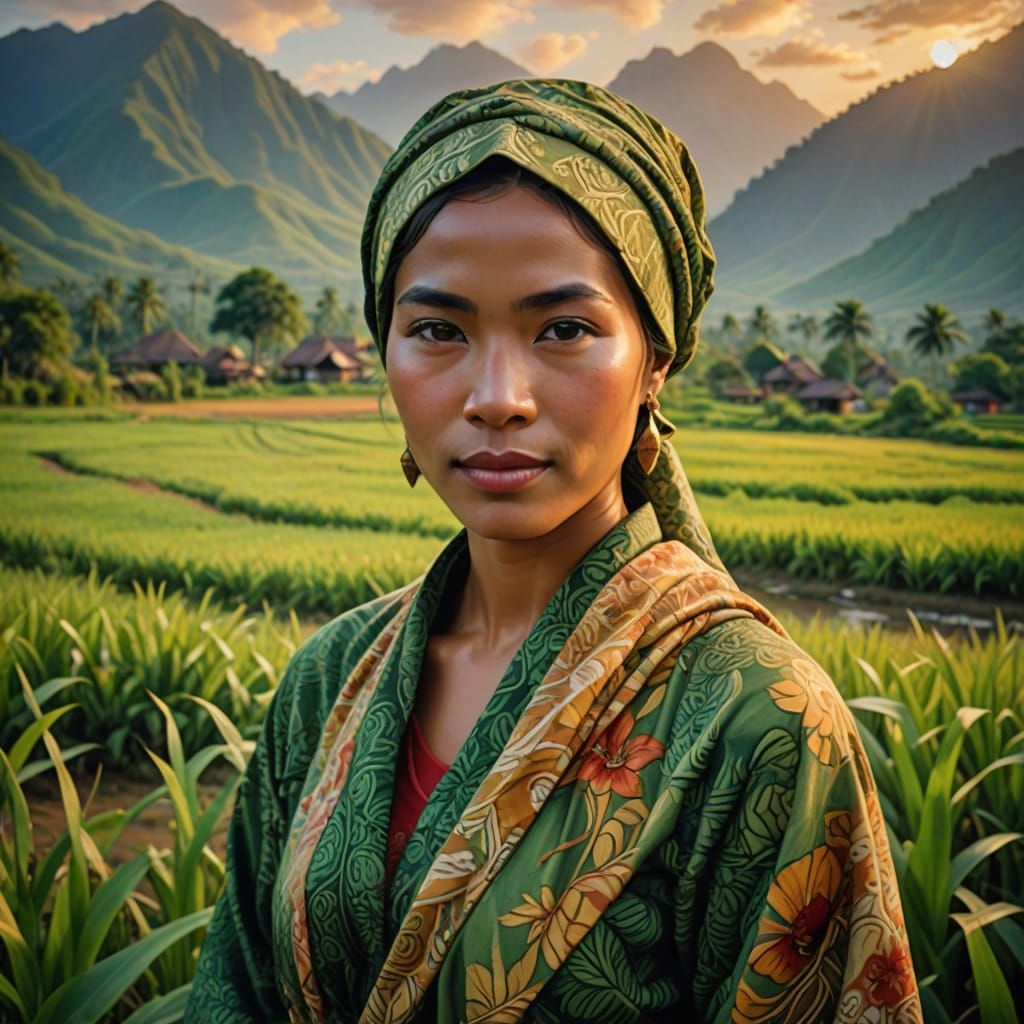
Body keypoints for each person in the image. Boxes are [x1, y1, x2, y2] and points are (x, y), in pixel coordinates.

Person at [186, 79, 920, 1024]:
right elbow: (235, 993)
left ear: (655, 358)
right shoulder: (330, 682)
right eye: (438, 330)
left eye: (563, 329)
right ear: (385, 354)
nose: (498, 395)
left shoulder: (759, 723)